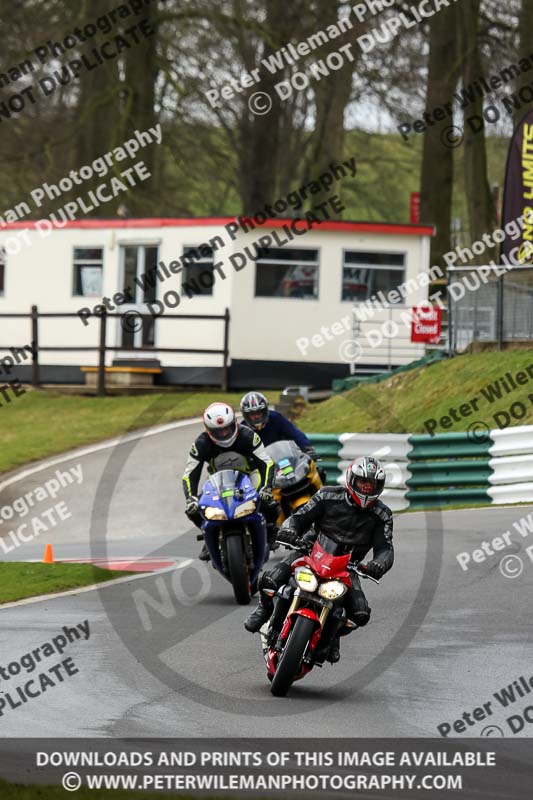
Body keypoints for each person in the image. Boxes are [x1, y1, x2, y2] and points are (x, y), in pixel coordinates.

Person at [244, 456, 394, 663]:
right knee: (270, 579)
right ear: (352, 480)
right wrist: (289, 531)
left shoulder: (382, 515)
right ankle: (264, 609)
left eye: (372, 484)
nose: (367, 488)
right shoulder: (327, 495)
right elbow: (298, 517)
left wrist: (378, 564)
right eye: (363, 483)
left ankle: (331, 638)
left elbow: (385, 548)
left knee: (360, 613)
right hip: (311, 552)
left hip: (346, 567)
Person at [182, 402, 277, 560]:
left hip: (249, 475)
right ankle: (208, 535)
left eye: (227, 428)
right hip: (217, 481)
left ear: (234, 423)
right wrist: (190, 498)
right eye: (218, 431)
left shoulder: (248, 435)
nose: (225, 433)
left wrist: (266, 487)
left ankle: (271, 530)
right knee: (194, 509)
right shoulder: (201, 444)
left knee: (268, 500)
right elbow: (190, 474)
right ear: (209, 430)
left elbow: (266, 462)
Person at [240, 391, 323, 472]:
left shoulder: (276, 418)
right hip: (258, 469)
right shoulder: (243, 428)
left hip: (281, 462)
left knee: (307, 474)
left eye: (258, 412)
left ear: (264, 411)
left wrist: (307, 448)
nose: (256, 417)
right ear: (246, 415)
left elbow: (295, 433)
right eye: (252, 414)